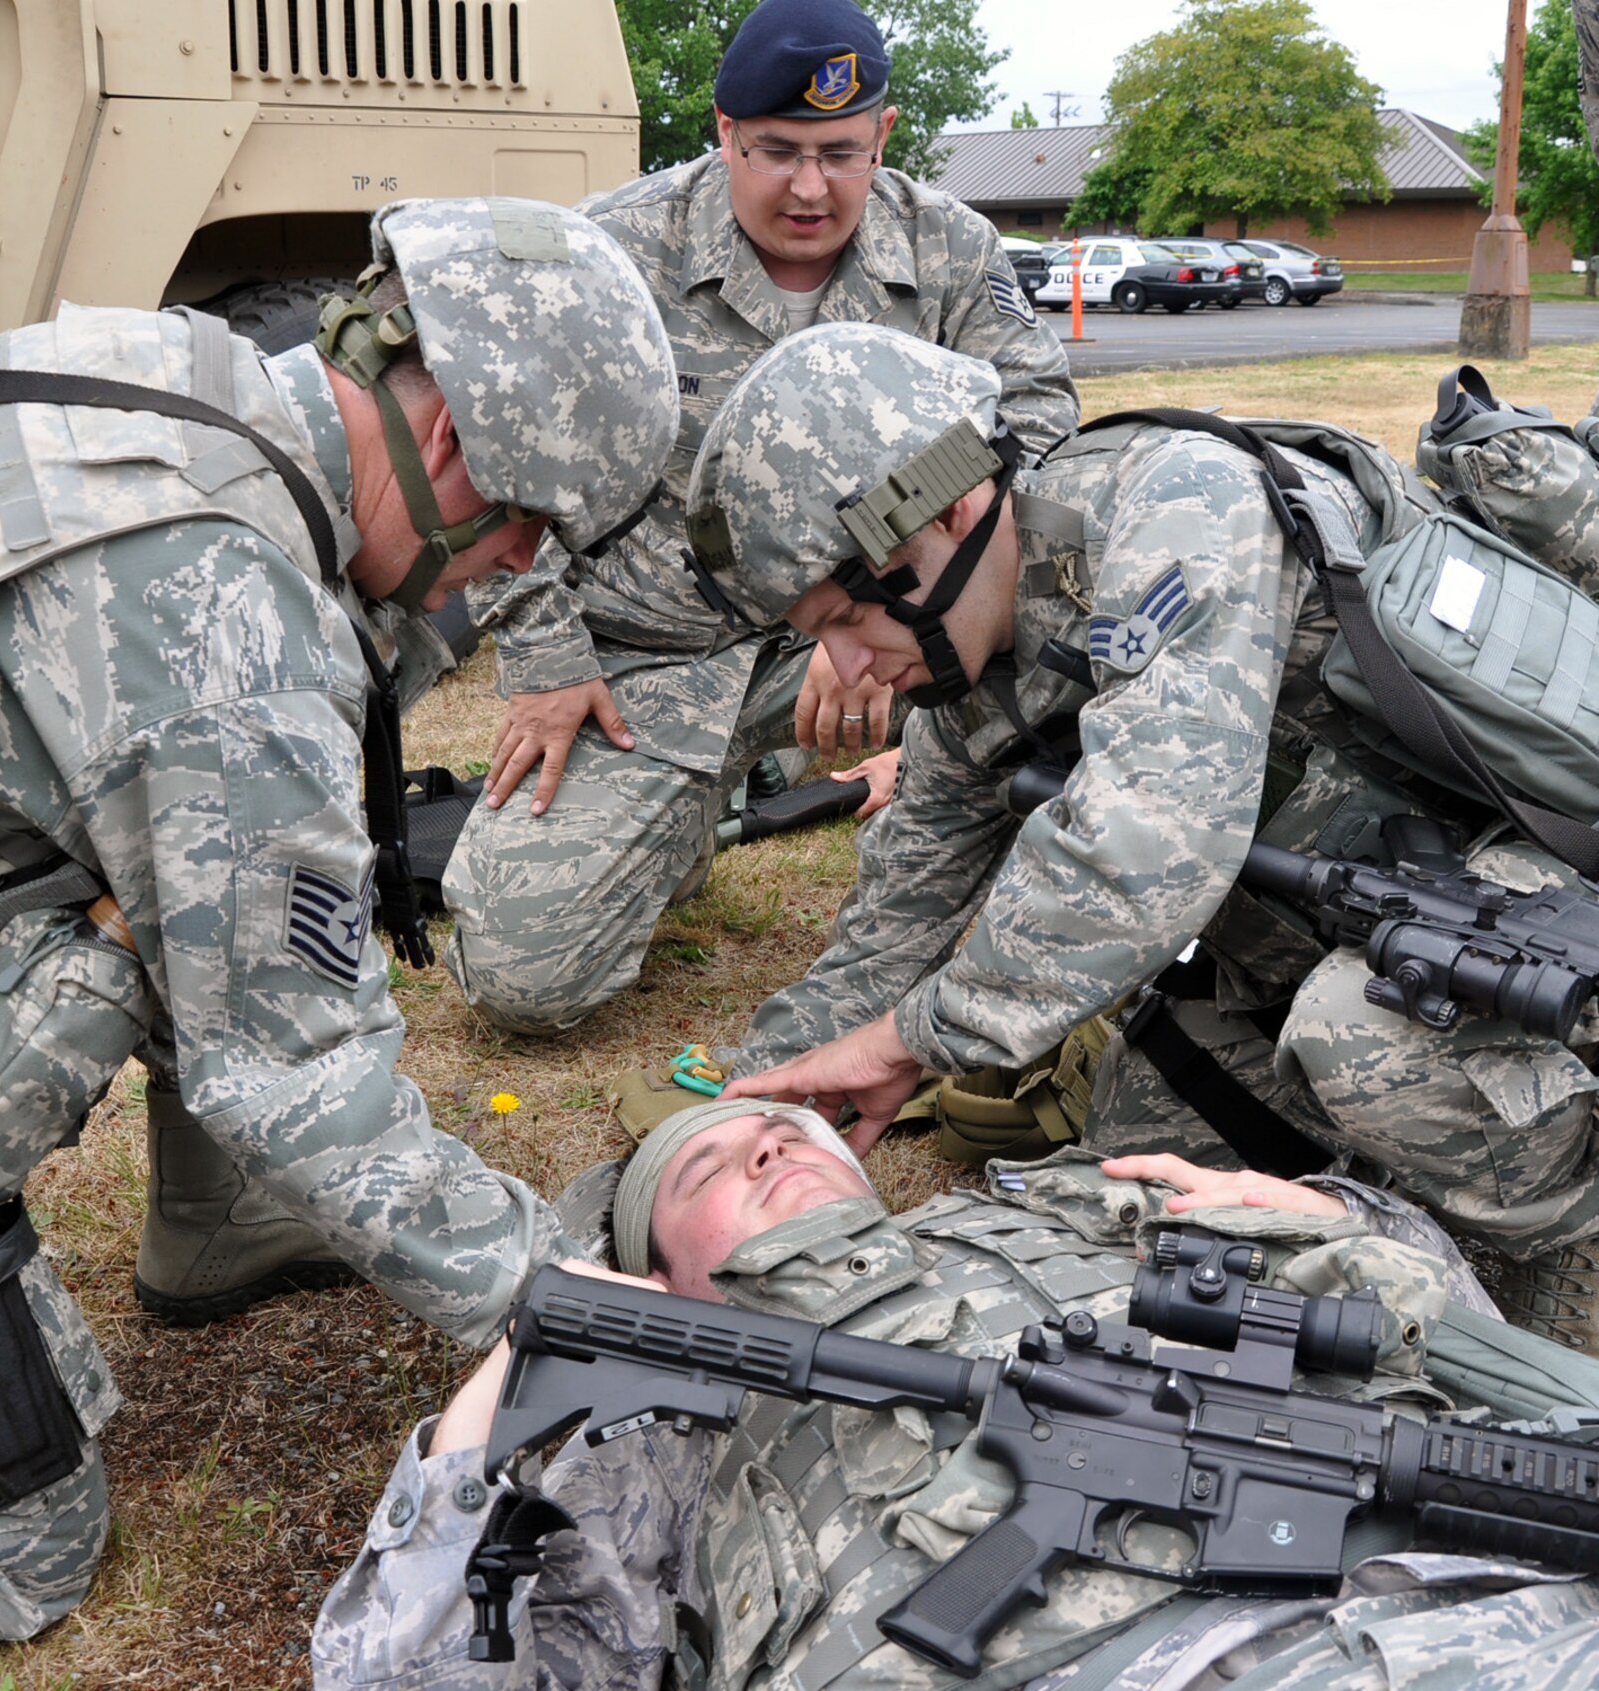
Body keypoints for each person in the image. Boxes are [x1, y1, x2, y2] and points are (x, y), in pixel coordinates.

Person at [0, 196, 678, 1659]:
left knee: (169, 905)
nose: (507, 578)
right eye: (523, 533)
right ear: (448, 452)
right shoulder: (222, 623)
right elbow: (290, 1069)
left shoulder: (188, 384)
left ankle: (212, 1222)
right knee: (11, 1544)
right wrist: (546, 1289)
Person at [668, 321, 1599, 1353]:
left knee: (1359, 1035)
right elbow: (895, 919)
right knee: (1135, 1167)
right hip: (1360, 929)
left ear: (950, 507)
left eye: (850, 613)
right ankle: (1437, 1167)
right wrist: (728, 1114)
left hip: (1537, 919)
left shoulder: (1180, 506)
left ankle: (1570, 1232)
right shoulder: (970, 671)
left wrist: (914, 1038)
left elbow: (1146, 847)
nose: (845, 664)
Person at [312, 1097, 1599, 1686]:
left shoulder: (1078, 1210)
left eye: (791, 1132)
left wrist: (1327, 1210)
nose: (766, 1138)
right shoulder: (662, 1435)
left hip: (1476, 1585)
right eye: (708, 1162)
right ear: (667, 1282)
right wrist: (525, 1351)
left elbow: (1444, 1328)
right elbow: (395, 1673)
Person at [438, 0, 1078, 1037]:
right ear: (723, 132)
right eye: (775, 151)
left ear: (883, 133)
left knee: (1064, 613)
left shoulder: (950, 250)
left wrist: (866, 584)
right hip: (652, 656)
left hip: (891, 635)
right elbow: (500, 467)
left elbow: (1038, 429)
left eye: (840, 151)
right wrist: (546, 661)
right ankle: (709, 794)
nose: (810, 187)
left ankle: (934, 785)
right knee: (522, 983)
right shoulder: (611, 249)